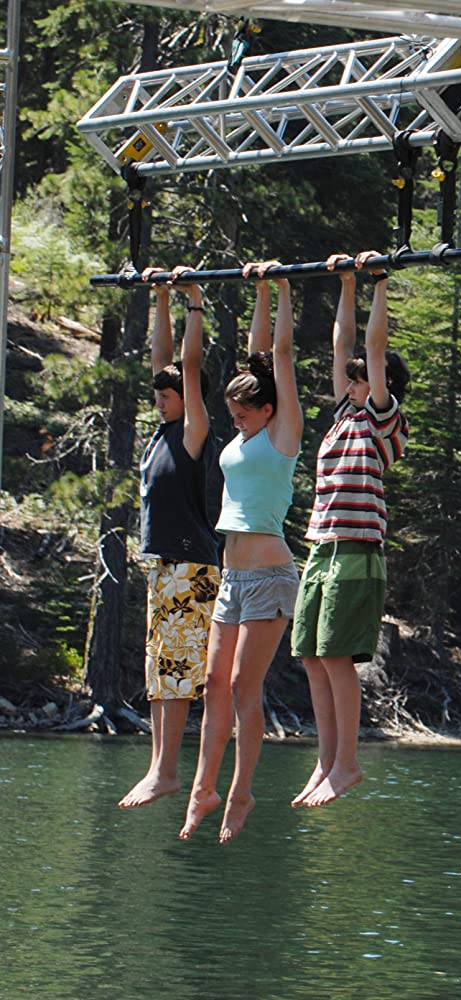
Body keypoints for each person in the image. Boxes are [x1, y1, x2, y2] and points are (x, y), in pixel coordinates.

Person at [179, 261, 303, 843]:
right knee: (213, 683)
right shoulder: (247, 433)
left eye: (244, 414)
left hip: (271, 577)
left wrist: (280, 288)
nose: (235, 422)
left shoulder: (283, 435)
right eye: (234, 416)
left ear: (270, 411)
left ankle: (242, 790)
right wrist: (256, 289)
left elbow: (278, 357)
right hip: (231, 580)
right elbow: (256, 355)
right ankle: (203, 786)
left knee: (243, 689)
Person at [290, 252, 410, 808]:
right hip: (321, 548)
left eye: (361, 376)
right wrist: (344, 283)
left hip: (358, 551)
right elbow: (344, 346)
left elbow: (373, 349)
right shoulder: (343, 414)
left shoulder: (384, 421)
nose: (353, 376)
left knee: (336, 656)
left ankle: (349, 763)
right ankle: (325, 760)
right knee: (313, 656)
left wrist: (378, 283)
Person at [119, 266, 222, 809]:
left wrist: (194, 305)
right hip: (162, 565)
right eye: (158, 395)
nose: (160, 398)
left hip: (190, 566)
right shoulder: (162, 428)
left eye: (169, 394)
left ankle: (168, 769)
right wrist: (160, 298)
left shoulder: (192, 433)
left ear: (189, 399)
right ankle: (158, 766)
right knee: (159, 667)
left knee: (178, 671)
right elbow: (165, 361)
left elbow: (187, 363)